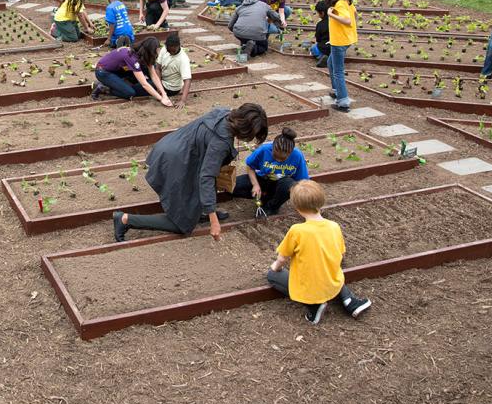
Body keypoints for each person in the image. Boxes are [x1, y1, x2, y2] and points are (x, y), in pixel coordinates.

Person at [113, 103, 269, 242]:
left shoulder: (224, 113)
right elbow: (207, 177)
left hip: (172, 146)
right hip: (175, 162)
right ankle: (126, 220)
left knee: (195, 198)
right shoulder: (221, 142)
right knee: (182, 224)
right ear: (246, 129)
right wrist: (213, 220)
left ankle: (200, 212)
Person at [267, 180, 372, 324]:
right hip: (332, 284)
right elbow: (341, 255)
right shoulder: (334, 226)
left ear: (297, 207)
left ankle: (314, 305)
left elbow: (283, 258)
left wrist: (275, 268)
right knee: (331, 270)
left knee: (272, 275)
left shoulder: (297, 230)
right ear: (321, 202)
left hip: (310, 287)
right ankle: (349, 300)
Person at [233, 128, 309, 216]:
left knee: (289, 185)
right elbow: (250, 166)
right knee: (234, 186)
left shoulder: (297, 155)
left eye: (283, 159)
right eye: (275, 156)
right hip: (262, 179)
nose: (278, 160)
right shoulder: (264, 150)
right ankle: (264, 197)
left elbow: (303, 181)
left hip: (281, 185)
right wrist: (255, 185)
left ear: (290, 152)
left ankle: (272, 207)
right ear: (272, 147)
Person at [91, 37, 172, 105]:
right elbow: (144, 84)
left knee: (147, 71)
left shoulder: (143, 54)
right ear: (149, 51)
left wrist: (164, 93)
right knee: (129, 93)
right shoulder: (131, 57)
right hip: (103, 72)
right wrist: (161, 99)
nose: (157, 54)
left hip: (118, 69)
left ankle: (123, 82)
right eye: (155, 51)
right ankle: (104, 88)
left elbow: (154, 75)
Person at [325, 0, 357, 112]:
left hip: (339, 41)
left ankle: (343, 102)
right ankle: (336, 90)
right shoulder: (346, 0)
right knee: (330, 63)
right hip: (346, 38)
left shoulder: (339, 4)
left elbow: (348, 20)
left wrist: (331, 15)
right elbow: (354, 15)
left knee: (338, 71)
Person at [156, 33, 192, 108]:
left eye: (174, 51)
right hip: (161, 81)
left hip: (171, 88)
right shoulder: (164, 49)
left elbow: (187, 80)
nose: (171, 53)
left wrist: (182, 100)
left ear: (178, 46)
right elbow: (157, 68)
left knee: (140, 87)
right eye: (169, 50)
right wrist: (159, 86)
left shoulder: (183, 59)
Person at [311, 0, 330, 68]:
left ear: (322, 13)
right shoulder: (336, 21)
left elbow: (318, 39)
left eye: (318, 13)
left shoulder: (320, 24)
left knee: (313, 48)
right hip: (336, 48)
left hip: (324, 48)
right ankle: (331, 58)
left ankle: (322, 58)